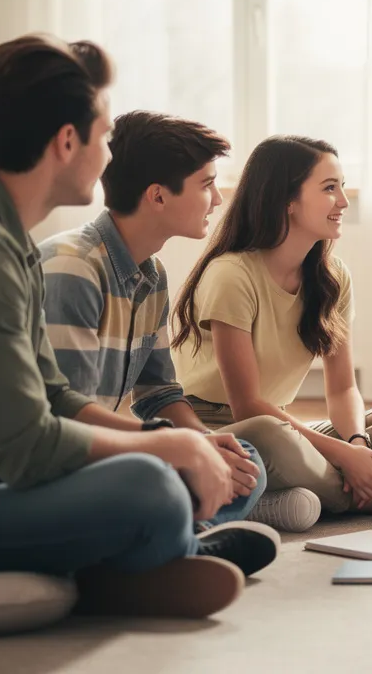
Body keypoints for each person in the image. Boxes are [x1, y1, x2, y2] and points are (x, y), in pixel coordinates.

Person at [0, 35, 272, 619]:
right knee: (153, 488)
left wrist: (176, 442)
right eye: (103, 133)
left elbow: (54, 395)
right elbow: (27, 447)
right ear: (68, 141)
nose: (110, 155)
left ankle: (143, 560)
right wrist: (163, 446)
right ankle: (151, 557)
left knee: (200, 462)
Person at [172, 135, 372, 527]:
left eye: (341, 186)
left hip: (284, 427)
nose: (343, 201)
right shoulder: (232, 275)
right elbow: (247, 406)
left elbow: (341, 389)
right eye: (329, 188)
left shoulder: (333, 278)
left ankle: (297, 494)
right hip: (223, 427)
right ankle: (363, 501)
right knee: (272, 435)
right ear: (286, 200)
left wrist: (356, 444)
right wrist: (341, 457)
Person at [40, 110, 286, 529]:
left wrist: (202, 443)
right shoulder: (73, 267)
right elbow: (69, 417)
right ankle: (189, 534)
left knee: (243, 456)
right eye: (206, 184)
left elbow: (159, 394)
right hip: (68, 459)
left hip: (115, 448)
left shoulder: (151, 275)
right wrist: (171, 446)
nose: (219, 199)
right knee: (158, 477)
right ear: (158, 196)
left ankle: (185, 530)